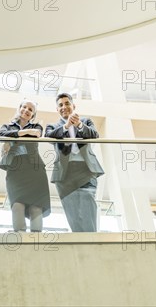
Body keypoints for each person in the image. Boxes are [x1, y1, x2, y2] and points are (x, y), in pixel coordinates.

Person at [45, 93, 104, 232]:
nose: (64, 107)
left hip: (86, 169)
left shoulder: (86, 121)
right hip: (65, 175)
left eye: (67, 104)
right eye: (60, 105)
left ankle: (93, 241)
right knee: (73, 213)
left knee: (88, 202)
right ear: (57, 109)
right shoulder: (52, 126)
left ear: (73, 106)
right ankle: (81, 245)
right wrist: (66, 126)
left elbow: (94, 135)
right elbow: (49, 137)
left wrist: (78, 124)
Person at [0, 99, 50, 232]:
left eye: (30, 109)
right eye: (24, 107)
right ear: (19, 108)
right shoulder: (7, 126)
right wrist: (22, 133)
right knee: (17, 205)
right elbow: (1, 135)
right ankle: (20, 238)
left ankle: (36, 239)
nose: (26, 110)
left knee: (36, 206)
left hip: (34, 171)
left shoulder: (37, 126)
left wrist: (13, 138)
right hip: (15, 170)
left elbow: (37, 134)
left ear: (33, 115)